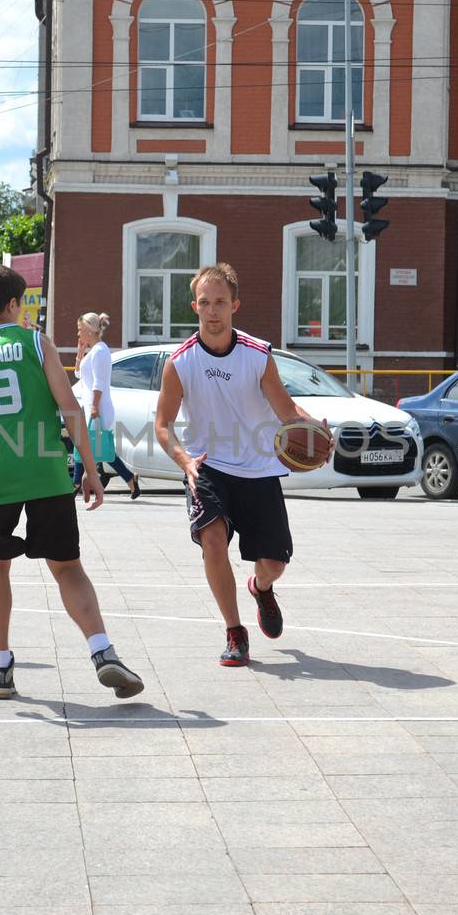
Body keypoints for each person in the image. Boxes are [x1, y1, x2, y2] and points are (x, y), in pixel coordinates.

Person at [0, 263, 144, 701]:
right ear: (11, 304)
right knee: (67, 567)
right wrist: (92, 469)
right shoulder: (36, 343)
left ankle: (0, 668)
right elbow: (70, 409)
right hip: (44, 471)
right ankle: (102, 651)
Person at [153, 263, 330, 668]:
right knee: (212, 540)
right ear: (194, 306)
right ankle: (234, 631)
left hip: (258, 467)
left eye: (220, 302)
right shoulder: (180, 362)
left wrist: (314, 431)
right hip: (207, 466)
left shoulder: (257, 355)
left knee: (274, 564)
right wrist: (184, 461)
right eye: (204, 303)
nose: (212, 310)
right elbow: (162, 425)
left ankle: (261, 587)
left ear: (235, 305)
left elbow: (286, 410)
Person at [72, 311, 139, 498]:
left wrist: (94, 406)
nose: (78, 334)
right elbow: (78, 374)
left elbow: (99, 382)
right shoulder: (93, 351)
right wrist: (79, 352)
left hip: (98, 408)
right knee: (100, 449)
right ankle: (129, 478)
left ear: (90, 329)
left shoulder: (100, 351)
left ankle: (76, 482)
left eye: (80, 330)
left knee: (87, 445)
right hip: (91, 407)